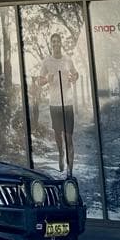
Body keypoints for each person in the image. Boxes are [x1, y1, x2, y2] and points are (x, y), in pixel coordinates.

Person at [37, 34, 80, 175]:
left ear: (61, 43)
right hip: (54, 105)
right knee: (58, 136)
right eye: (53, 42)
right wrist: (46, 80)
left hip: (67, 104)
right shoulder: (46, 62)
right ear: (51, 44)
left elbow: (76, 74)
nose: (55, 44)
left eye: (57, 41)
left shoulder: (68, 60)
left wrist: (74, 77)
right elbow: (39, 81)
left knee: (68, 137)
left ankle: (70, 170)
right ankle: (61, 153)